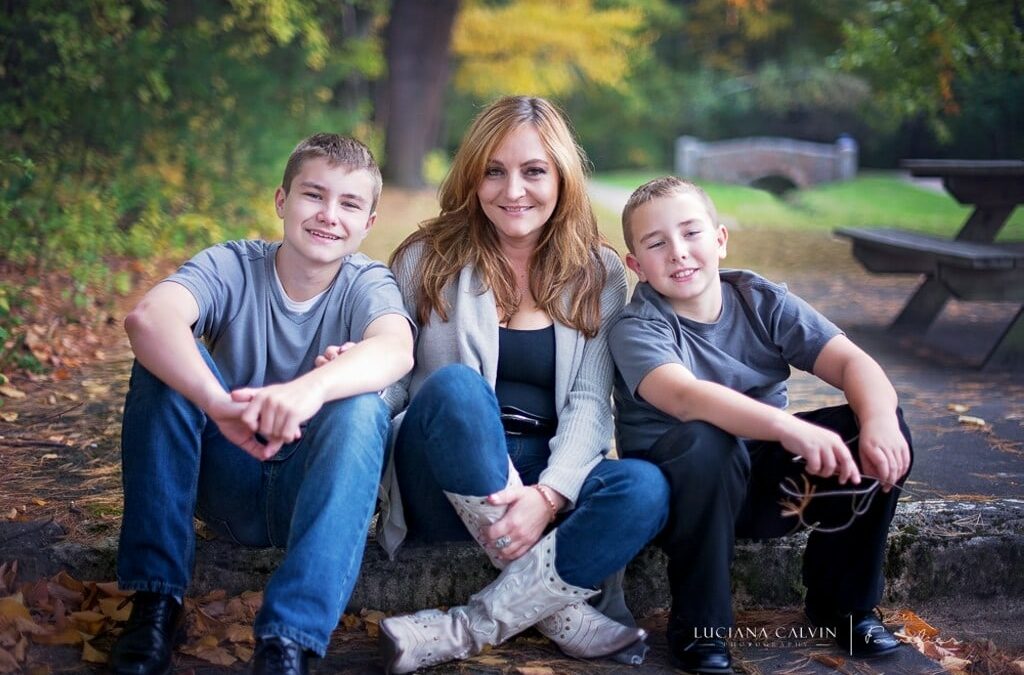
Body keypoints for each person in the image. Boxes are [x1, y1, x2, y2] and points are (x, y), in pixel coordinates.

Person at [360, 96, 669, 674]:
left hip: (547, 476)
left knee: (645, 486)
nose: (513, 190)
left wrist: (547, 497)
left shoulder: (597, 271)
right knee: (454, 388)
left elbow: (588, 402)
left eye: (533, 171)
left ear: (561, 177)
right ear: (473, 177)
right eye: (494, 171)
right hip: (442, 476)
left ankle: (464, 629)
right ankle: (564, 617)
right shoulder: (425, 259)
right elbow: (393, 384)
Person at [110, 134, 414, 675]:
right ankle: (157, 605)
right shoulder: (233, 264)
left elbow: (396, 347)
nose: (328, 216)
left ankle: (288, 641)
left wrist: (310, 390)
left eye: (348, 203)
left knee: (362, 407)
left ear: (368, 222)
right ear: (281, 201)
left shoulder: (367, 282)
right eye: (312, 195)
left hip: (311, 491)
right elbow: (147, 319)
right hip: (229, 477)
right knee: (164, 366)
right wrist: (217, 403)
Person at [608, 177, 913, 674]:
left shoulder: (759, 299)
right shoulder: (638, 326)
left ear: (720, 240)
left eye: (691, 233)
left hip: (768, 488)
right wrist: (786, 428)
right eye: (657, 243)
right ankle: (699, 627)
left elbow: (854, 364)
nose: (679, 252)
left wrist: (878, 419)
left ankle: (843, 604)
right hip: (684, 497)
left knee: (877, 423)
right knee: (709, 438)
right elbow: (685, 397)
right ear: (636, 266)